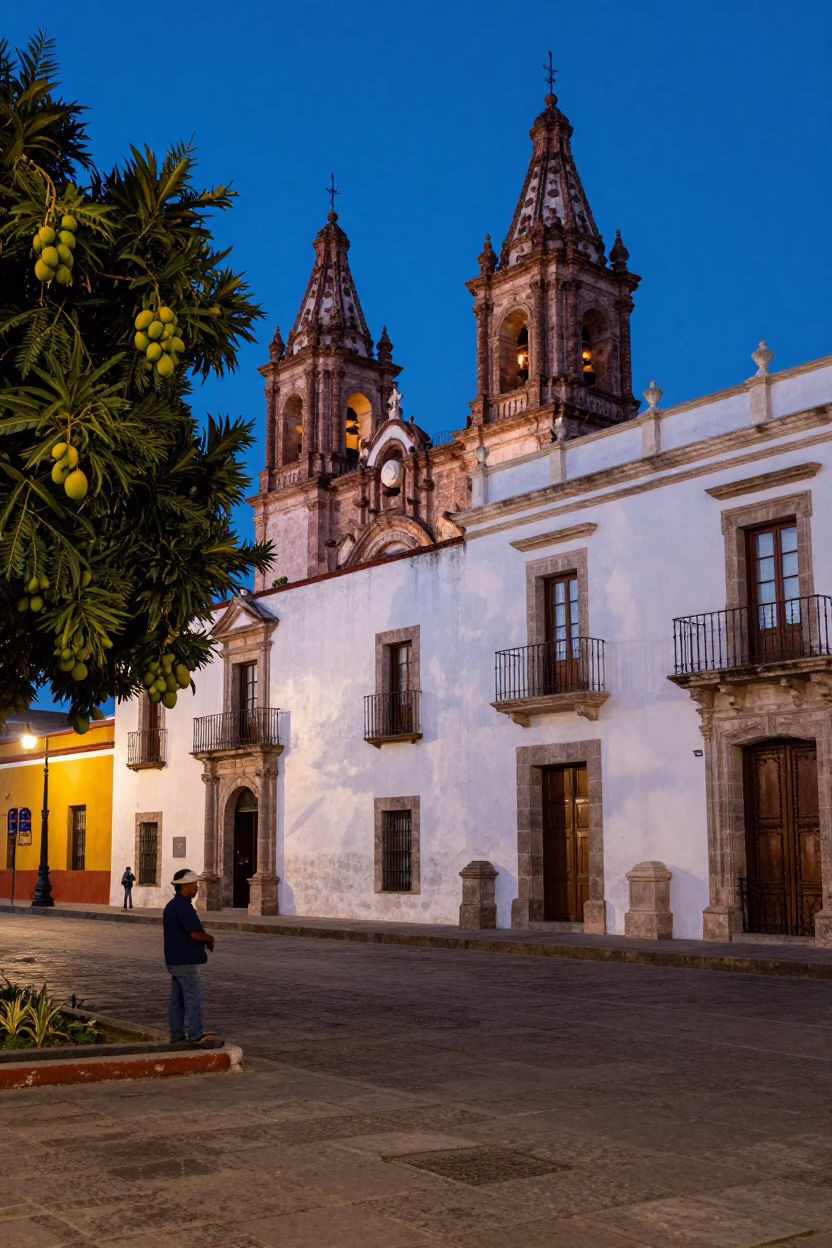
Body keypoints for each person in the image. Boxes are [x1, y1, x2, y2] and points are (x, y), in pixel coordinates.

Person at [162, 868, 223, 1048]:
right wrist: (209, 939)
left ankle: (176, 1034)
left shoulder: (172, 906)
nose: (196, 889)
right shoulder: (184, 907)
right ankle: (195, 1034)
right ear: (185, 887)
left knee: (177, 1000)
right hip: (185, 960)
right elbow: (195, 934)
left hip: (174, 960)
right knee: (193, 997)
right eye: (194, 885)